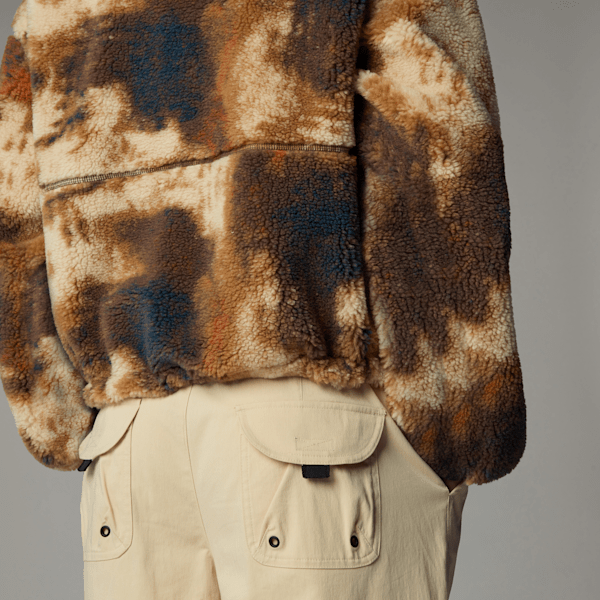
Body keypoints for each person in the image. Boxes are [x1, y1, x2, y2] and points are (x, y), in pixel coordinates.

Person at [0, 0, 526, 598]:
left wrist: (65, 421)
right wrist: (457, 427)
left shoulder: (50, 8)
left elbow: (17, 226)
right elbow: (446, 161)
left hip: (132, 446)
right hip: (319, 427)